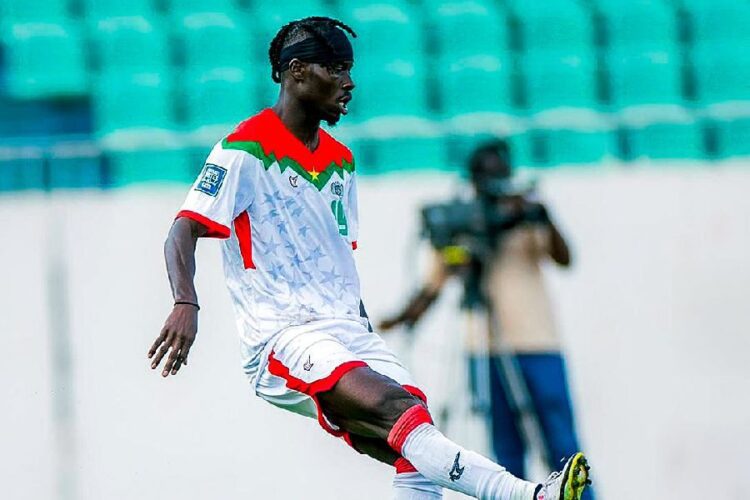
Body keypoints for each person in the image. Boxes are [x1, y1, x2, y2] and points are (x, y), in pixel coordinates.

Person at [147, 17, 590, 500]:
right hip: (283, 334)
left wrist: (365, 333)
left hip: (348, 331)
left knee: (417, 445)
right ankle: (530, 496)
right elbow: (183, 228)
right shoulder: (243, 150)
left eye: (349, 69)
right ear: (297, 71)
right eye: (336, 68)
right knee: (402, 417)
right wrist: (185, 302)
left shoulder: (341, 161)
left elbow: (338, 261)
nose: (349, 82)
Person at [380, 140, 594, 500]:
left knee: (562, 446)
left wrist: (539, 215)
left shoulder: (524, 214)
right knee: (505, 453)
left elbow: (563, 257)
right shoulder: (464, 223)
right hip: (484, 349)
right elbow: (431, 287)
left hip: (538, 344)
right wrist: (399, 319)